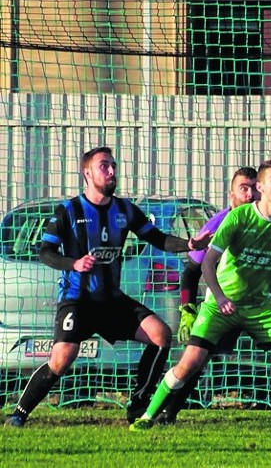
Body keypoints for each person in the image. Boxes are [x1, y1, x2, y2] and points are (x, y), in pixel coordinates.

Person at [130, 159, 271, 435]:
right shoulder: (237, 218)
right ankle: (149, 415)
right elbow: (206, 264)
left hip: (258, 306)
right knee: (190, 363)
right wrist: (216, 299)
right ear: (261, 187)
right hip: (221, 305)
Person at [4, 146, 211, 428]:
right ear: (87, 173)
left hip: (112, 301)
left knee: (161, 335)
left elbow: (158, 239)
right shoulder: (68, 210)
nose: (112, 171)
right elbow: (45, 252)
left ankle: (138, 405)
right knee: (61, 359)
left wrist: (187, 244)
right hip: (77, 301)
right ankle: (19, 413)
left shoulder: (124, 210)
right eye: (105, 166)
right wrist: (73, 264)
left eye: (113, 165)